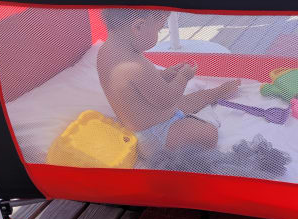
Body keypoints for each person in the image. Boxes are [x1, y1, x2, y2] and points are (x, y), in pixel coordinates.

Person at [97, 9, 240, 158]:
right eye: (159, 29)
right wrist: (183, 77)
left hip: (149, 118)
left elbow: (140, 85)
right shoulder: (135, 65)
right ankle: (210, 103)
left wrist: (166, 74)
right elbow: (167, 100)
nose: (159, 34)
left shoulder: (105, 52)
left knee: (188, 100)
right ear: (138, 27)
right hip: (157, 135)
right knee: (209, 134)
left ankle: (216, 93)